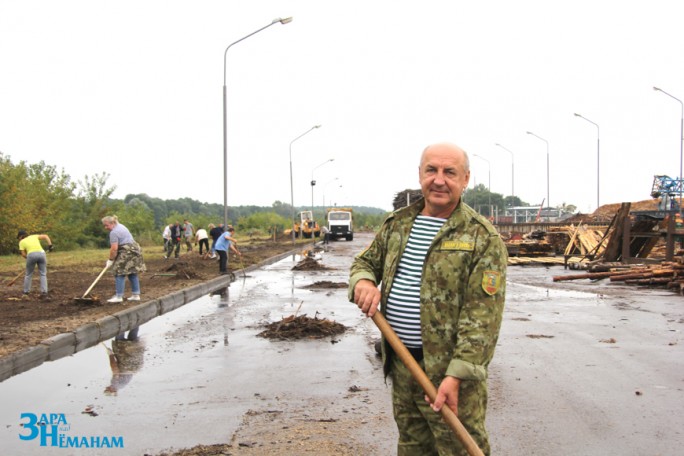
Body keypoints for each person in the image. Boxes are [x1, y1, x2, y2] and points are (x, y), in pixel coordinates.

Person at [349, 142, 507, 455]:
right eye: (431, 170)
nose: (439, 179)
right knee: (412, 447)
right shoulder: (398, 224)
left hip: (448, 374)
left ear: (465, 179)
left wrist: (456, 375)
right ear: (420, 174)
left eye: (450, 172)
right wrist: (363, 282)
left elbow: (483, 317)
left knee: (458, 449)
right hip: (403, 363)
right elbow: (365, 263)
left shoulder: (481, 236)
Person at [102, 215, 146, 303]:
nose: (105, 227)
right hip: (135, 250)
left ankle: (119, 296)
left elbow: (114, 249)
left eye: (107, 225)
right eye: (104, 225)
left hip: (128, 252)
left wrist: (110, 260)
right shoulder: (121, 226)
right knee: (132, 272)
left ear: (112, 223)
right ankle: (135, 295)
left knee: (119, 272)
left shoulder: (114, 232)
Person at [17, 230, 53, 300]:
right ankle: (44, 293)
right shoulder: (34, 236)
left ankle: (26, 293)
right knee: (43, 274)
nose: (19, 239)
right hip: (42, 254)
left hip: (31, 255)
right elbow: (46, 236)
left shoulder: (21, 242)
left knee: (28, 274)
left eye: (19, 238)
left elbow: (23, 254)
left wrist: (30, 259)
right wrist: (50, 246)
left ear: (21, 236)